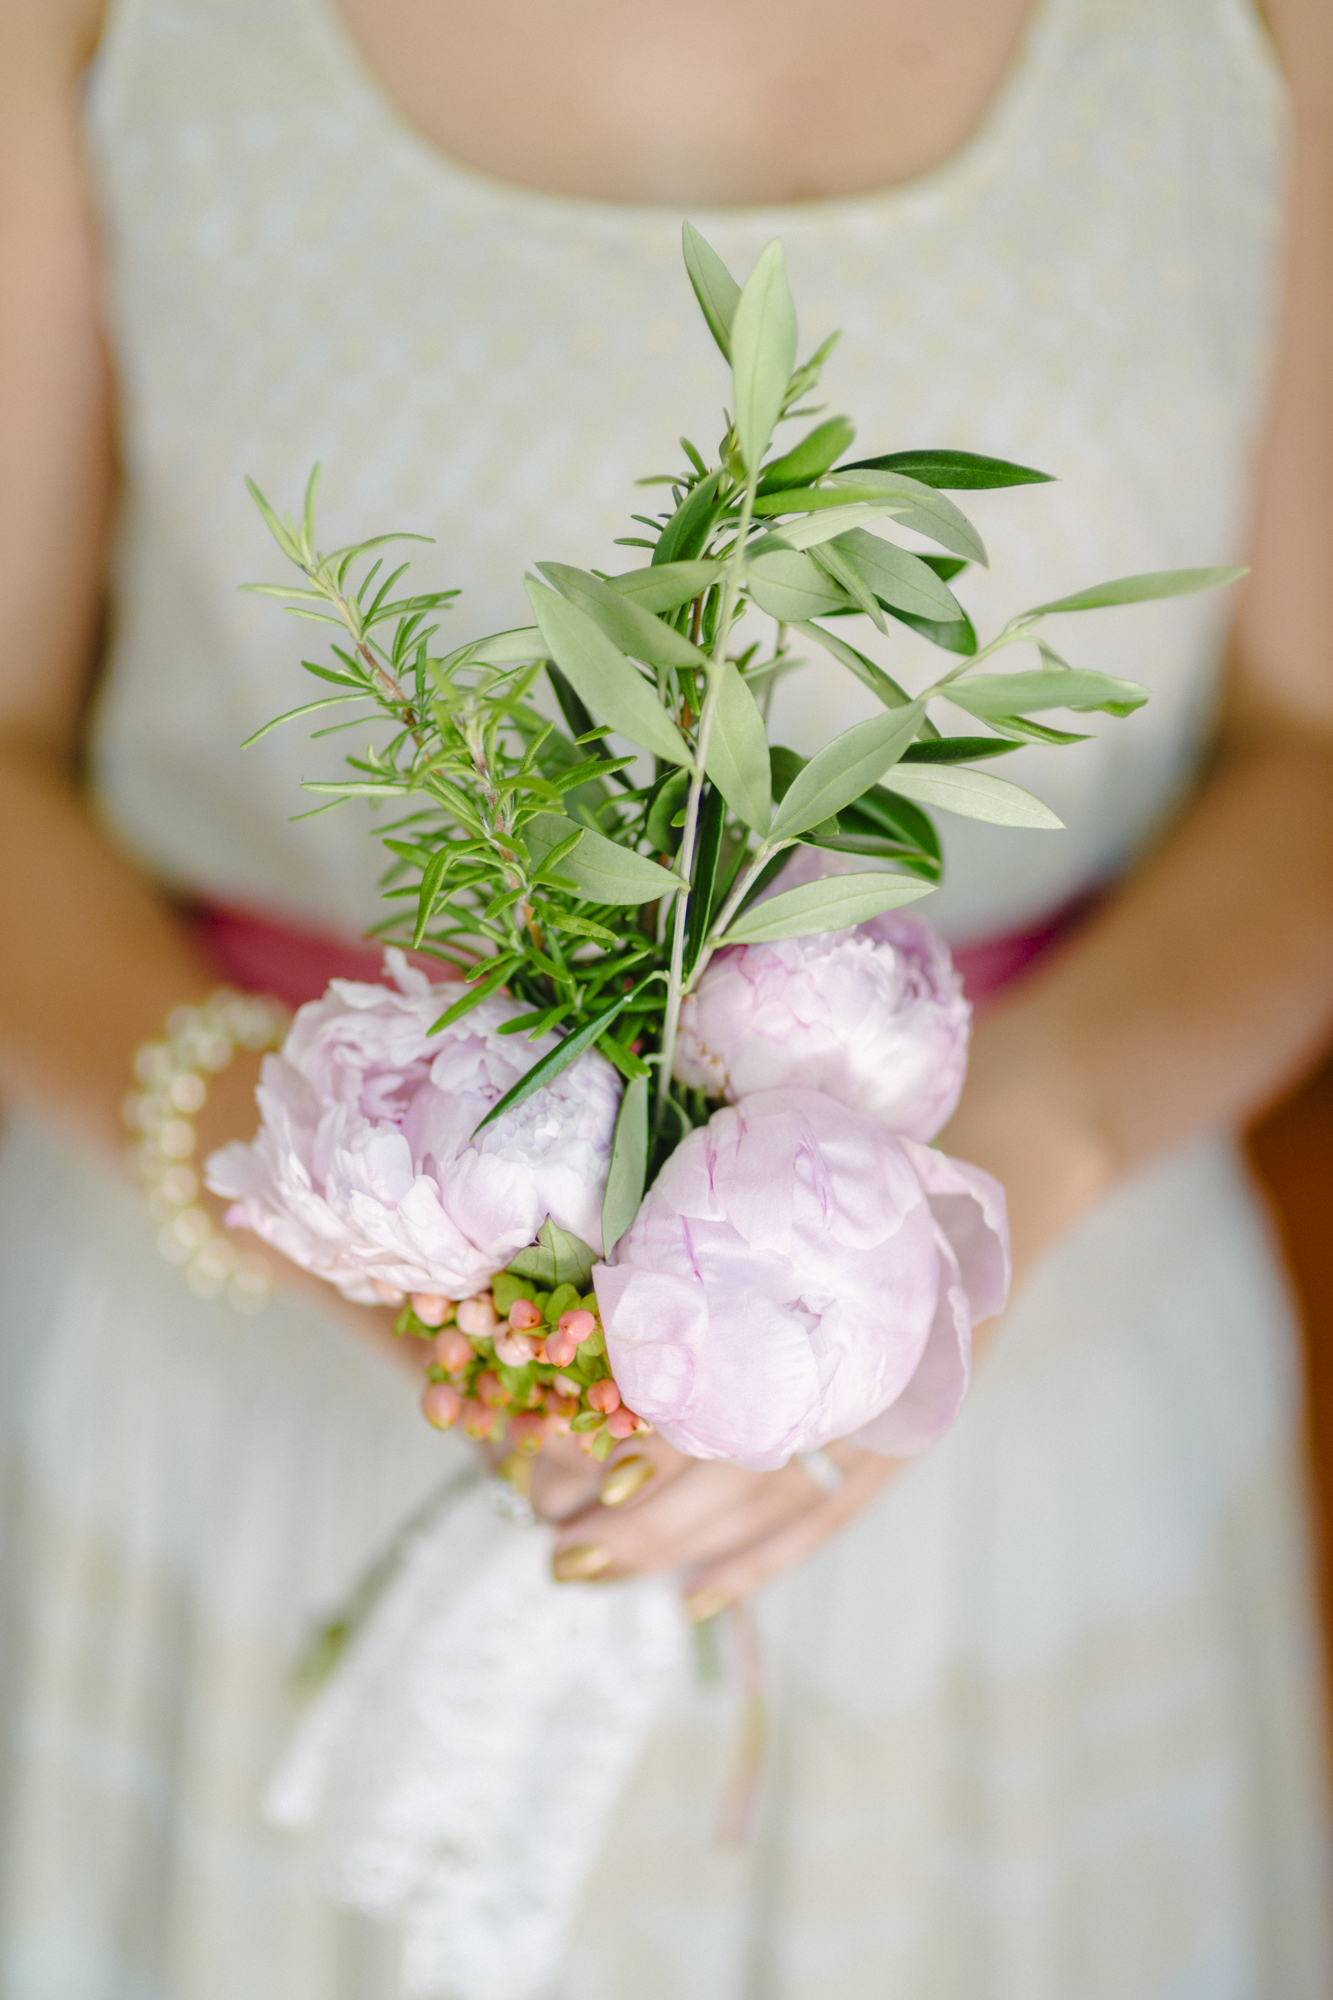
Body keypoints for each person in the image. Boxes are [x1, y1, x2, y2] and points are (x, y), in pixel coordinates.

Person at [2, 0, 1332, 1991]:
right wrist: (344, 1189)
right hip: (240, 1420)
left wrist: (983, 1191)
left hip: (1028, 1460)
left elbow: (1311, 764)